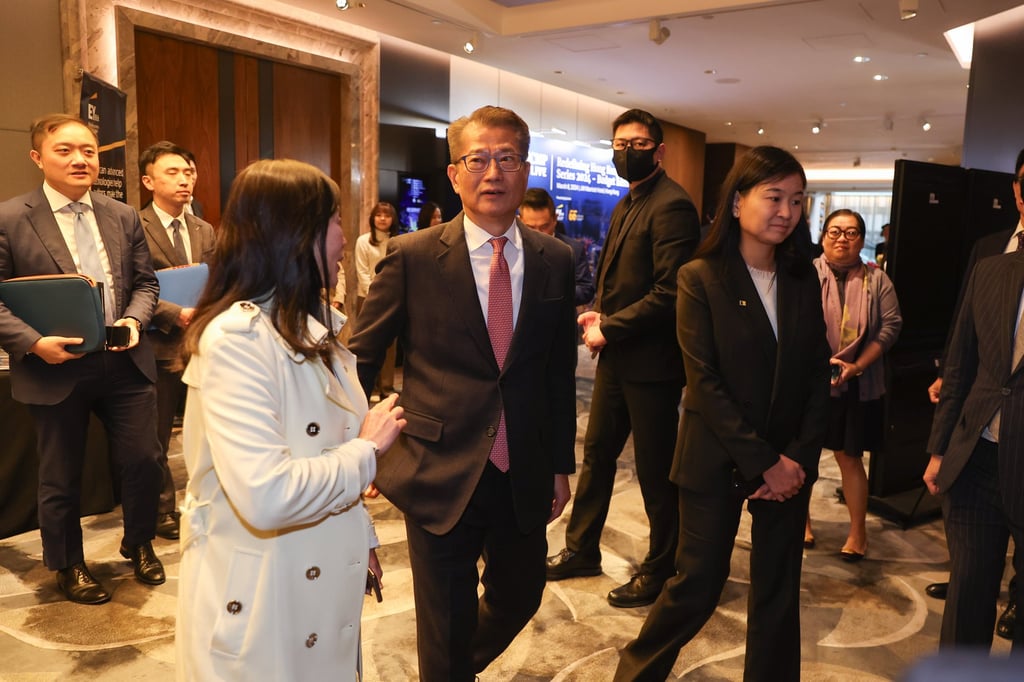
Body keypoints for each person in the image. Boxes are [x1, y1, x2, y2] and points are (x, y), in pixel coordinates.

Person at [347, 105, 577, 681]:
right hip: (438, 467)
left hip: (521, 467)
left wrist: (559, 465)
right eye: (478, 159)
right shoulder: (413, 255)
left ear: (525, 170)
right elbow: (359, 360)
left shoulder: (556, 260)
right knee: (444, 618)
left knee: (521, 595)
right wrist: (356, 452)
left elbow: (556, 373)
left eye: (507, 159)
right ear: (454, 174)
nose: (493, 173)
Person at [175, 158, 406, 680]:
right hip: (263, 596)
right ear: (292, 234)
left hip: (313, 574)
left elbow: (319, 453)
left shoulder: (311, 327)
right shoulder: (236, 341)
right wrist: (367, 450)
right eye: (333, 222)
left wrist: (358, 535)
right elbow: (267, 495)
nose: (344, 239)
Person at [614, 146, 830, 681]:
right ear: (737, 203)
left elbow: (815, 376)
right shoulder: (700, 276)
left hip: (789, 463)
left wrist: (796, 459)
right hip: (716, 457)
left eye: (797, 201)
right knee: (696, 586)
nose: (786, 211)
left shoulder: (803, 279)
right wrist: (764, 463)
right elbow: (704, 384)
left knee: (778, 591)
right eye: (773, 196)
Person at [0, 114, 164, 604]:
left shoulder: (123, 215)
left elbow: (146, 284)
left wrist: (134, 320)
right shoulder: (10, 217)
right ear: (38, 157)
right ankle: (68, 564)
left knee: (144, 460)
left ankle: (138, 542)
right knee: (60, 472)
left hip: (124, 360)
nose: (79, 159)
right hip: (54, 366)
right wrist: (31, 342)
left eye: (89, 151)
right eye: (65, 150)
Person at [547, 108, 700, 608]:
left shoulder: (672, 205)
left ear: (658, 150)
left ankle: (663, 569)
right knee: (596, 458)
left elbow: (670, 292)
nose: (625, 152)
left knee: (657, 474)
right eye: (618, 144)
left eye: (636, 144)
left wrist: (607, 326)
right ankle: (581, 549)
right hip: (617, 359)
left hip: (652, 366)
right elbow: (619, 278)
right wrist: (597, 313)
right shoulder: (627, 202)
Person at [923, 150, 1024, 636]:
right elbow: (960, 362)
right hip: (976, 458)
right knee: (966, 602)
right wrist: (940, 449)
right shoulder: (991, 263)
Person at [803, 209, 902, 560]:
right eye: (834, 231)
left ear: (861, 238)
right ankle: (803, 523)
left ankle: (858, 533)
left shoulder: (877, 280)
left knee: (850, 458)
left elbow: (890, 328)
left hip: (858, 382)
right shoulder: (804, 274)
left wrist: (856, 366)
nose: (842, 238)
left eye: (851, 232)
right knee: (802, 455)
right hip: (808, 382)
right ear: (823, 235)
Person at [138, 141, 216, 541]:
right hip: (159, 341)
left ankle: (209, 500)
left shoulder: (204, 228)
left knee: (209, 426)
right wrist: (173, 313)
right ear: (148, 180)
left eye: (189, 172)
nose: (185, 179)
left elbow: (217, 277)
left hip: (204, 341)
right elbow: (132, 287)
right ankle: (161, 509)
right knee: (156, 434)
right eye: (173, 172)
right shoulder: (134, 225)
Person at [519, 187, 595, 306]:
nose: (538, 233)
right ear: (520, 221)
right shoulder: (511, 249)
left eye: (544, 227)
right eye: (531, 228)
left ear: (555, 219)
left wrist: (555, 294)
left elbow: (586, 289)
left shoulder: (572, 249)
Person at [354, 201, 399, 397]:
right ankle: (369, 387)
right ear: (372, 218)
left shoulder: (398, 241)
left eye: (387, 215)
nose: (382, 219)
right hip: (367, 297)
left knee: (391, 347)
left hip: (393, 298)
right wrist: (374, 293)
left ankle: (387, 388)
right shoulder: (363, 241)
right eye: (379, 215)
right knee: (368, 343)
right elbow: (362, 271)